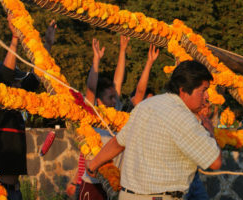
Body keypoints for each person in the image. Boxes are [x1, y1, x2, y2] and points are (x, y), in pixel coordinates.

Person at [86, 60, 222, 200]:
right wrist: (209, 131)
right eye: (203, 90)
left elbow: (118, 142)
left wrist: (93, 164)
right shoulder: (183, 117)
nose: (207, 96)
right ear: (184, 90)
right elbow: (214, 162)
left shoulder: (146, 105)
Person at [0, 15, 55, 200]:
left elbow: (37, 76)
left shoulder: (17, 102)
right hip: (0, 191)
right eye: (15, 82)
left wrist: (48, 45)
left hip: (15, 190)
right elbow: (6, 74)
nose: (19, 87)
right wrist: (14, 39)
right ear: (4, 85)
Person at [77, 35, 129, 200]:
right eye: (110, 98)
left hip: (114, 185)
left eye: (115, 97)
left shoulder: (116, 116)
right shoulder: (92, 114)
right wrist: (96, 59)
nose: (115, 101)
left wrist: (122, 50)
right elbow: (91, 87)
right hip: (93, 185)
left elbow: (118, 82)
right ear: (99, 101)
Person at [123, 44, 159, 112]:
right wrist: (149, 62)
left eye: (151, 102)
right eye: (145, 101)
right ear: (132, 100)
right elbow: (140, 92)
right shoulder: (134, 113)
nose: (148, 105)